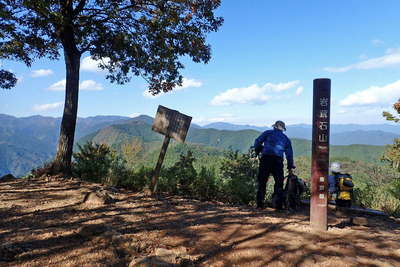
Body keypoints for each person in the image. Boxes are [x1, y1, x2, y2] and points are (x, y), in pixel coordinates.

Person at [254, 120, 295, 209]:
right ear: (283, 129)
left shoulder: (267, 133)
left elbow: (257, 142)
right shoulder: (285, 138)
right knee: (279, 182)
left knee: (262, 181)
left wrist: (258, 150)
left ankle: (260, 204)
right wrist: (290, 166)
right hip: (278, 161)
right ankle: (277, 204)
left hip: (266, 159)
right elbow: (289, 154)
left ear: (274, 127)